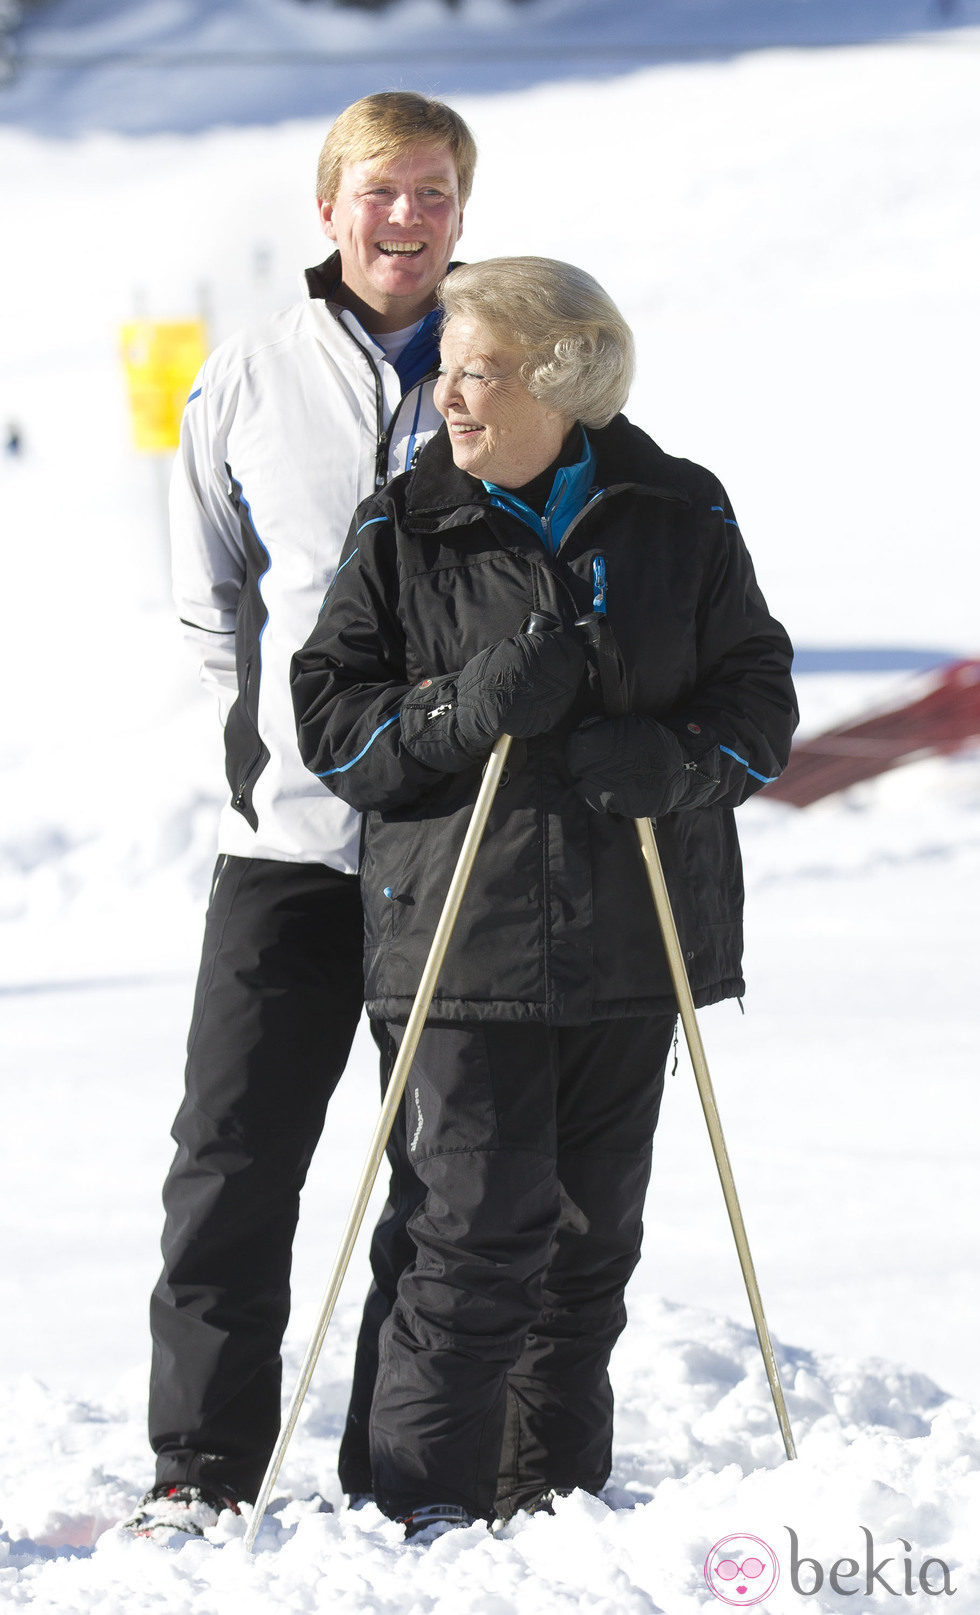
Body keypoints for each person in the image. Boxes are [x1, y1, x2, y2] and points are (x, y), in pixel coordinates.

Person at [291, 256, 798, 1537]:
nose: (449, 399)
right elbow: (332, 725)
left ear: (562, 379)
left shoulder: (678, 512)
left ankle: (548, 1508)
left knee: (586, 1246)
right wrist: (461, 709)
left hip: (636, 937)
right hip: (462, 939)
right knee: (473, 1238)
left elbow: (759, 707)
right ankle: (418, 1512)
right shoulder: (407, 523)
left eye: (479, 372)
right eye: (445, 371)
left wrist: (674, 763)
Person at [124, 91, 477, 1539]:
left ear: (465, 209)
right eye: (383, 192)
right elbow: (211, 593)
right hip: (292, 843)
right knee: (231, 1157)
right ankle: (200, 1466)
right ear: (327, 207)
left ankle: (404, 1467)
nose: (408, 219)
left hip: (460, 849)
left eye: (437, 194)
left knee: (451, 1171)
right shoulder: (250, 377)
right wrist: (262, 743)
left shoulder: (505, 357)